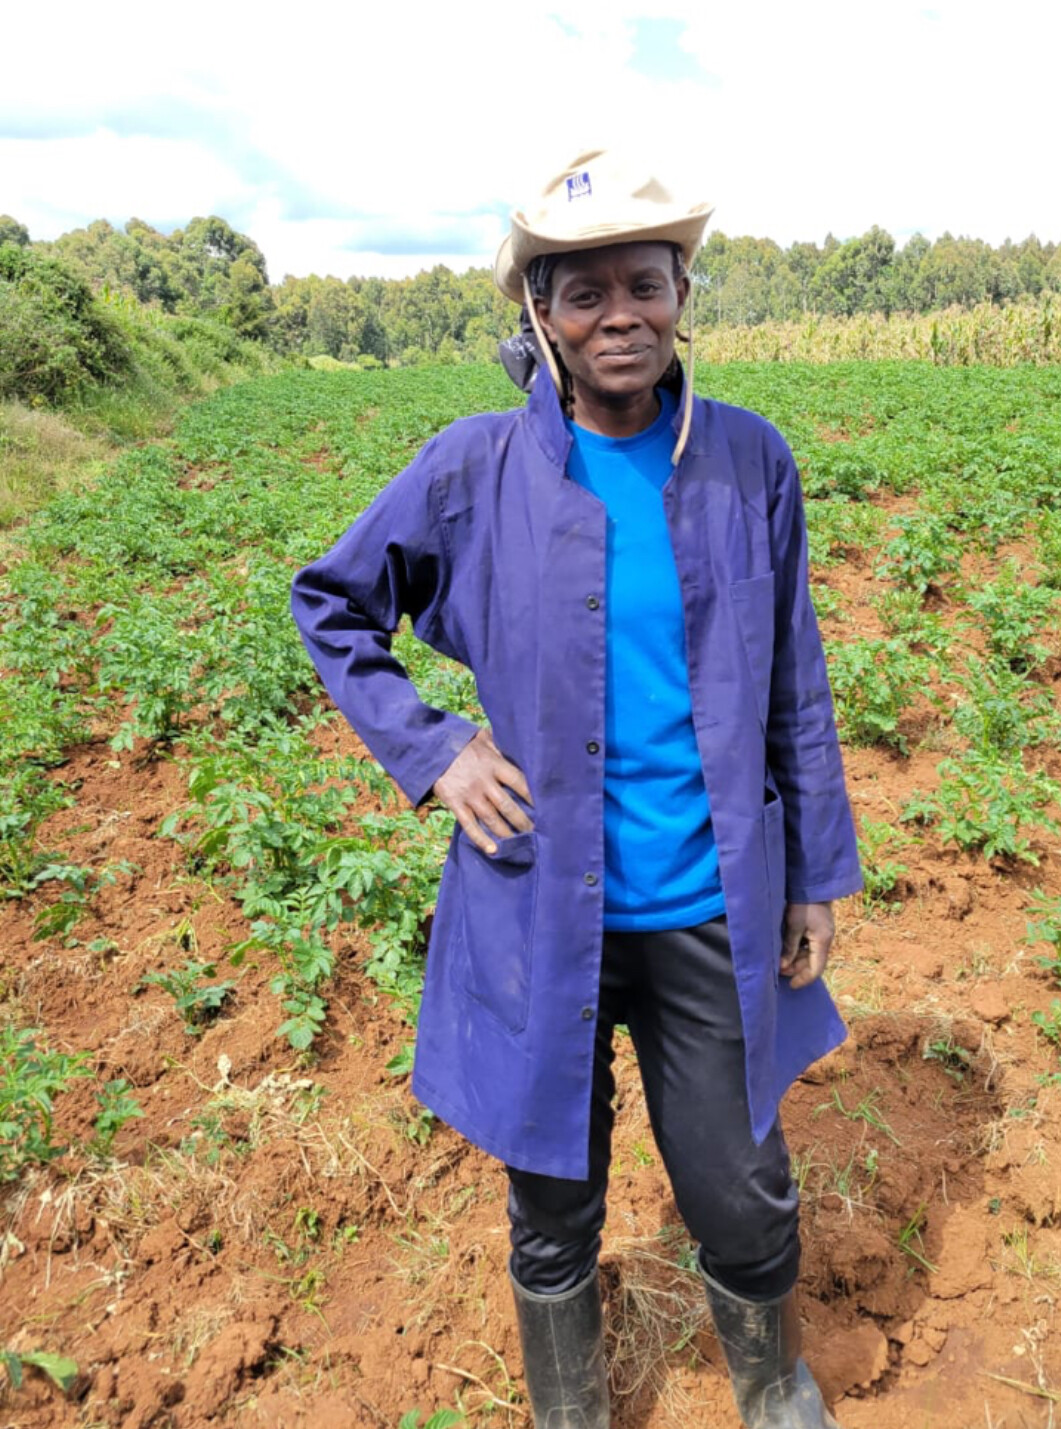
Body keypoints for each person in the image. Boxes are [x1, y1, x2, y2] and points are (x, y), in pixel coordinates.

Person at [291, 149, 862, 1429]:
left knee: (740, 1182)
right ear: (541, 314)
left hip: (708, 895)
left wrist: (816, 873)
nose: (621, 316)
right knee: (552, 1186)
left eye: (645, 286)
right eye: (586, 292)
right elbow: (330, 603)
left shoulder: (750, 462)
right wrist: (435, 748)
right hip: (542, 899)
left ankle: (771, 1380)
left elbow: (795, 679)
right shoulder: (472, 470)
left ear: (682, 297)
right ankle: (572, 1409)